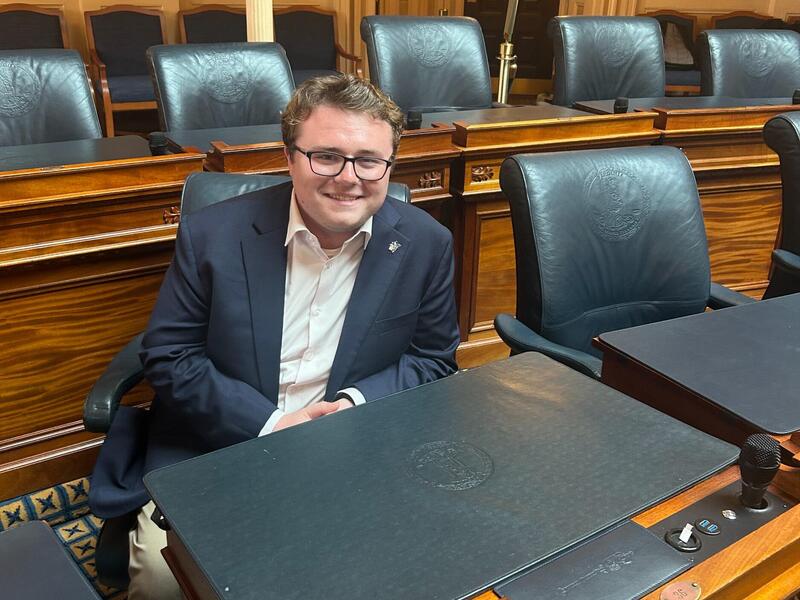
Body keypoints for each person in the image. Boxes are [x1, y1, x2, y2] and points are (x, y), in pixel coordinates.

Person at [89, 73, 460, 599]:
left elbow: (432, 359)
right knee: (164, 581)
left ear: (390, 165)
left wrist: (355, 404)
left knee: (377, 571)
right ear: (290, 158)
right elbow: (170, 356)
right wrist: (270, 424)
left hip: (352, 446)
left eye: (368, 160)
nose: (348, 178)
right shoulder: (214, 235)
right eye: (326, 156)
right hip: (218, 442)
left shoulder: (426, 243)